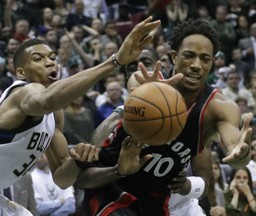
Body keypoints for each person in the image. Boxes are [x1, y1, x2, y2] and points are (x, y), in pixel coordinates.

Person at [0, 16, 161, 216]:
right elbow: (46, 100)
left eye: (52, 57)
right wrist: (115, 61)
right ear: (21, 73)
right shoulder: (22, 93)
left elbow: (62, 179)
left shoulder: (54, 114)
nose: (49, 62)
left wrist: (76, 160)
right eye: (38, 59)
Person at [75, 18, 253, 216]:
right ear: (174, 57)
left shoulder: (218, 108)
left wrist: (241, 156)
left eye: (205, 58)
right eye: (189, 56)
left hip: (158, 199)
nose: (196, 65)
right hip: (114, 187)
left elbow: (233, 151)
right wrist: (146, 92)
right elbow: (134, 82)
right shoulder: (151, 82)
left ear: (212, 62)